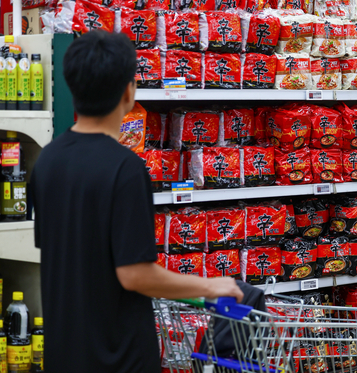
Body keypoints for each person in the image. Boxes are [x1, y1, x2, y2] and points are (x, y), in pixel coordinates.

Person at [30, 30, 244, 372]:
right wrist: (210, 285)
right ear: (129, 92)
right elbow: (134, 274)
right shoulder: (125, 168)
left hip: (64, 352)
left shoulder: (47, 161)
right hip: (119, 358)